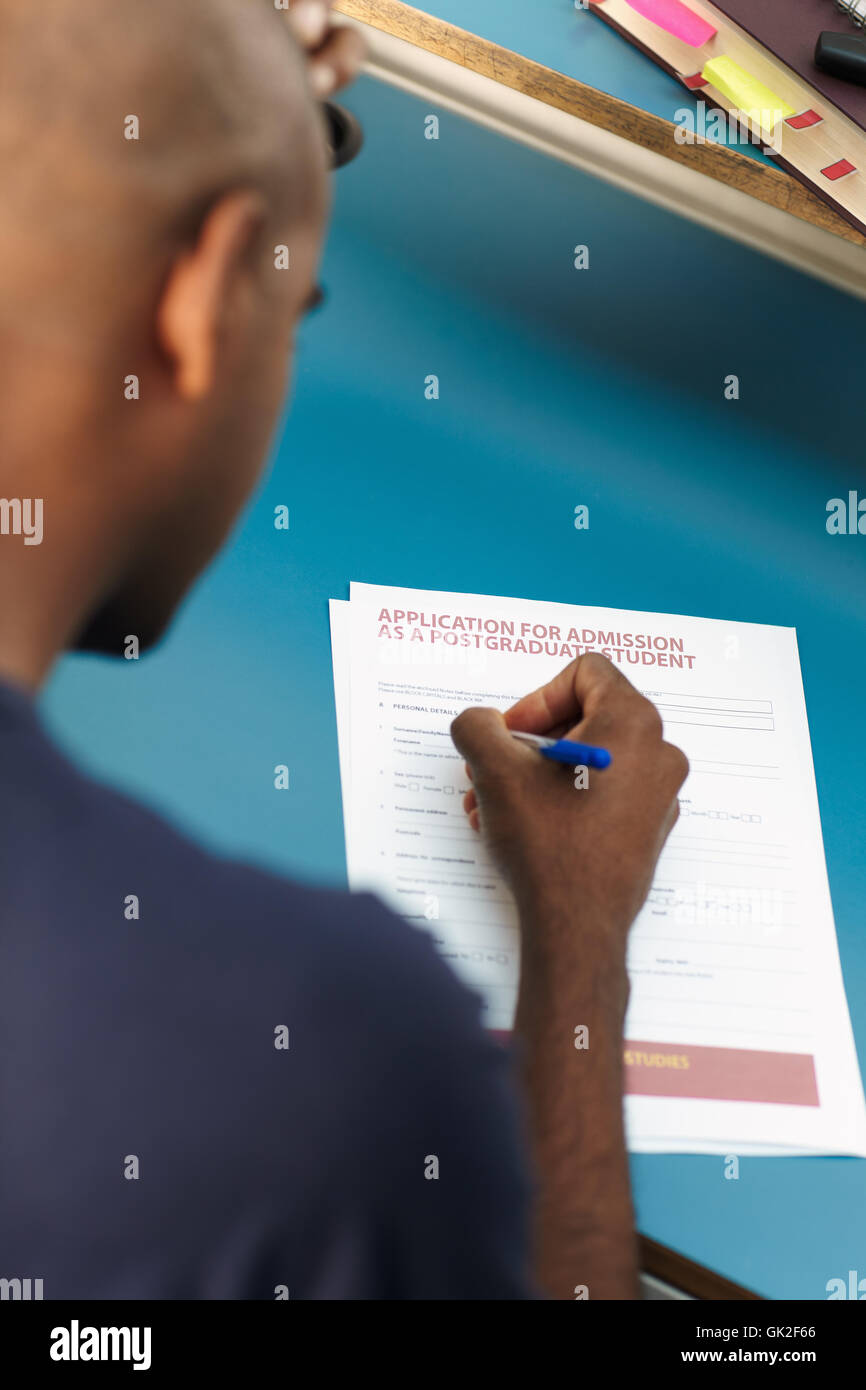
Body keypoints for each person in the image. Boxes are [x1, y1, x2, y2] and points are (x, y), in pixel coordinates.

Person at [0, 0, 687, 1300]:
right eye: (293, 306)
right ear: (206, 295)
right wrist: (579, 940)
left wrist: (189, 77)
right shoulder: (319, 1056)